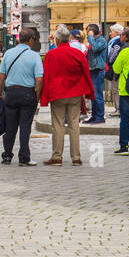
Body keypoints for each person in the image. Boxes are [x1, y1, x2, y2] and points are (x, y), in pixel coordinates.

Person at [40, 24, 90, 166]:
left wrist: (44, 96)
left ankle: (57, 156)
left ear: (56, 40)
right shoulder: (77, 54)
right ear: (68, 38)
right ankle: (76, 157)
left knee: (58, 124)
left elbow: (46, 76)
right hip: (75, 92)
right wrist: (88, 92)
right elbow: (86, 73)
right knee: (74, 124)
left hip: (57, 93)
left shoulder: (51, 54)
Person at [0, 28, 44, 166]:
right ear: (30, 40)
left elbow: (1, 76)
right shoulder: (34, 56)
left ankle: (7, 155)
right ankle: (24, 157)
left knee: (10, 126)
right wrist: (37, 95)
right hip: (27, 93)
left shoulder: (8, 53)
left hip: (10, 93)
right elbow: (39, 79)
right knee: (25, 127)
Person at [83, 24, 108, 124]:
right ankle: (94, 115)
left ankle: (100, 116)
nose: (86, 33)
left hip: (98, 69)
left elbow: (95, 48)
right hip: (92, 69)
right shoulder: (95, 40)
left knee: (98, 95)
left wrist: (90, 37)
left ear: (92, 31)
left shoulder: (101, 40)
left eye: (88, 31)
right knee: (93, 95)